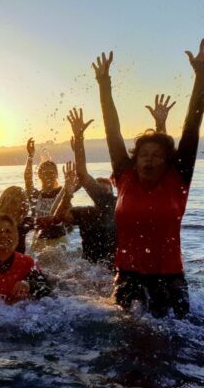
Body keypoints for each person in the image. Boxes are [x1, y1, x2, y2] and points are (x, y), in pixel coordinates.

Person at [92, 39, 204, 318]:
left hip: (171, 277)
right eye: (144, 154)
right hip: (128, 276)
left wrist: (201, 75)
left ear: (167, 162)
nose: (149, 159)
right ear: (135, 159)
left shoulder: (177, 179)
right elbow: (112, 131)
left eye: (156, 155)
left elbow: (192, 125)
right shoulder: (125, 175)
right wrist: (104, 85)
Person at [53, 109, 117, 266]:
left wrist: (79, 139)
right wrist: (67, 193)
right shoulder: (84, 213)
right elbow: (57, 218)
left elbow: (83, 174)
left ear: (112, 192)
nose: (101, 190)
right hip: (88, 269)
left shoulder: (119, 208)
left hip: (110, 268)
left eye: (105, 188)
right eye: (98, 187)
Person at [24, 138, 67, 247]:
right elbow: (28, 179)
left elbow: (72, 186)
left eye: (52, 172)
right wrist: (30, 156)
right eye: (45, 172)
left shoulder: (61, 192)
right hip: (39, 241)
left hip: (59, 241)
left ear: (56, 175)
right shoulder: (35, 195)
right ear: (39, 175)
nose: (49, 175)